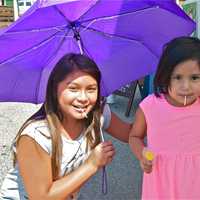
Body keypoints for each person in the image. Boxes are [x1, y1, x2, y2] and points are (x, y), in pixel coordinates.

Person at [0, 53, 131, 199]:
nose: (83, 98)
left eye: (91, 89)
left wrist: (152, 110)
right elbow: (42, 197)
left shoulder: (97, 114)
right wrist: (92, 164)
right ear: (55, 89)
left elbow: (130, 134)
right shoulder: (36, 136)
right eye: (73, 89)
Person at [129, 36, 200, 199]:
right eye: (178, 77)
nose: (186, 86)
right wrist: (142, 154)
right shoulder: (150, 106)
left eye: (195, 78)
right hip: (160, 184)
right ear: (165, 76)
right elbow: (134, 136)